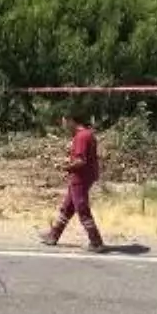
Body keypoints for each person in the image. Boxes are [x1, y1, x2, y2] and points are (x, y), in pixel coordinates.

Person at [38, 108, 105, 253]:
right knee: (68, 207)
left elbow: (81, 161)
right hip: (86, 176)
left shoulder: (80, 137)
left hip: (80, 177)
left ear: (71, 120)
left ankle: (96, 241)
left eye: (64, 121)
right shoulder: (89, 134)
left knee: (81, 208)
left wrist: (65, 167)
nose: (63, 125)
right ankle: (53, 236)